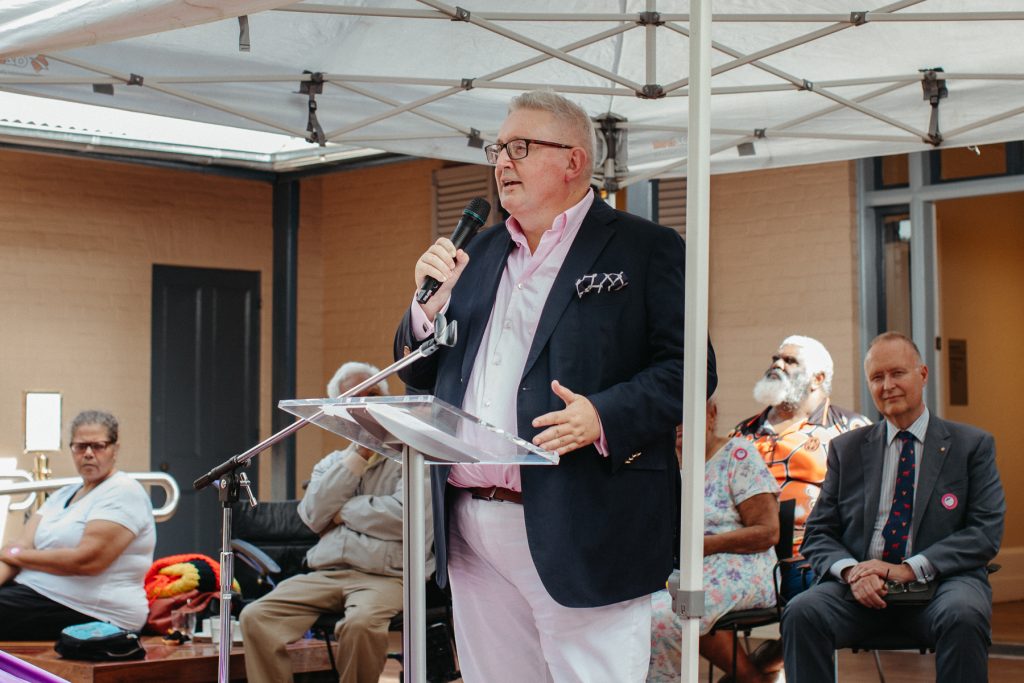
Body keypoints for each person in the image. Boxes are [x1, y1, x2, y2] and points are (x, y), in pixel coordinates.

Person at [395, 90, 717, 682]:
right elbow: (417, 372)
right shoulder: (480, 250)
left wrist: (603, 415)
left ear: (573, 161)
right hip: (471, 527)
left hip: (584, 521)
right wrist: (425, 312)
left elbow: (691, 370)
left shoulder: (644, 248)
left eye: (520, 147)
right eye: (497, 149)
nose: (502, 162)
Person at [781, 332, 1005, 682]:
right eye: (877, 377)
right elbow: (820, 532)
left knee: (964, 614)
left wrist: (908, 569)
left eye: (897, 373)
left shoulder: (970, 446)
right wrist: (854, 573)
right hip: (861, 592)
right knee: (802, 612)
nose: (887, 385)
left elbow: (983, 533)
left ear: (923, 374)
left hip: (941, 586)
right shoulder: (847, 449)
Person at [239, 362, 434, 683]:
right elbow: (313, 516)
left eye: (371, 395)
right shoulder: (330, 464)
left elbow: (405, 519)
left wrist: (343, 512)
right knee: (256, 616)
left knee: (360, 625)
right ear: (338, 411)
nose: (362, 405)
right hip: (326, 572)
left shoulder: (413, 459)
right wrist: (356, 457)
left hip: (386, 577)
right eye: (351, 399)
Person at [648, 397, 779, 683]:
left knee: (665, 616)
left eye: (688, 412)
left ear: (711, 414)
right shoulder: (669, 468)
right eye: (671, 413)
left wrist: (700, 547)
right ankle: (752, 678)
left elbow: (768, 532)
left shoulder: (738, 454)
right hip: (687, 572)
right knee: (632, 611)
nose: (678, 422)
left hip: (745, 568)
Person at [0, 410, 155, 639]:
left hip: (92, 610)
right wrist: (15, 554)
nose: (89, 454)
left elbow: (87, 560)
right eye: (80, 446)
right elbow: (14, 549)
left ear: (115, 449)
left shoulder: (123, 490)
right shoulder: (63, 494)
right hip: (36, 595)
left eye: (98, 446)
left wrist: (20, 556)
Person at [731, 336, 869, 589]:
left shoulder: (850, 430)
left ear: (817, 378)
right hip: (746, 557)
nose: (777, 365)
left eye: (789, 361)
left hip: (812, 556)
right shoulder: (743, 433)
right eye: (775, 359)